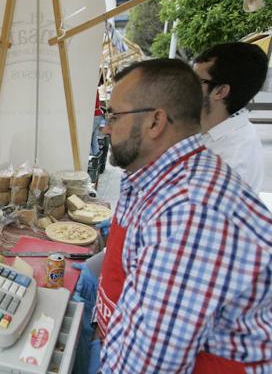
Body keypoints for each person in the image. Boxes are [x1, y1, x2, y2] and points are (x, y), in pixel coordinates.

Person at [95, 58, 272, 373]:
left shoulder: (190, 213)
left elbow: (146, 367)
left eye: (114, 115)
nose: (106, 126)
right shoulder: (158, 172)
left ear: (155, 122)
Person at [193, 42, 267, 193]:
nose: (185, 86)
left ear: (220, 92)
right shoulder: (212, 129)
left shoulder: (231, 163)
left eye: (196, 81)